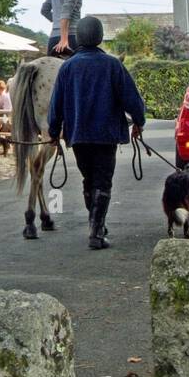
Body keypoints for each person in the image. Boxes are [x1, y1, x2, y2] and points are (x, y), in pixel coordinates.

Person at [47, 15, 147, 249]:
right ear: (100, 37)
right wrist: (139, 121)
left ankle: (96, 223)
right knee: (103, 181)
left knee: (88, 179)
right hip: (106, 134)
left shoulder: (67, 67)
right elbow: (131, 99)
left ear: (79, 38)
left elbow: (56, 104)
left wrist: (53, 132)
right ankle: (96, 230)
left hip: (78, 135)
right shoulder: (113, 65)